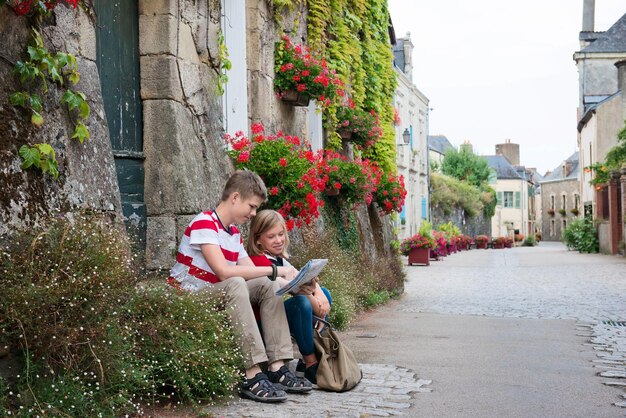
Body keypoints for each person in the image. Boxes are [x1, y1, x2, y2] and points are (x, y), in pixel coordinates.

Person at [166, 170, 312, 403]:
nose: (254, 213)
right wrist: (274, 269)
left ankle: (277, 367)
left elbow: (253, 272)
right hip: (189, 297)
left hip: (217, 293)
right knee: (235, 282)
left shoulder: (233, 233)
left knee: (266, 284)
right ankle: (252, 373)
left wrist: (293, 281)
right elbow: (223, 271)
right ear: (235, 198)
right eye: (252, 207)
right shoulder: (205, 222)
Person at [246, 210, 332, 385]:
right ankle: (311, 363)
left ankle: (317, 353)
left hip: (276, 317)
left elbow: (304, 279)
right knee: (301, 304)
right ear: (258, 239)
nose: (278, 240)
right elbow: (297, 289)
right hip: (265, 325)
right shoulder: (258, 262)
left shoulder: (280, 259)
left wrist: (320, 293)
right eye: (271, 237)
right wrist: (317, 304)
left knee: (324, 292)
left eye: (281, 234)